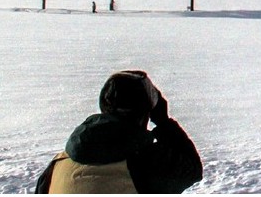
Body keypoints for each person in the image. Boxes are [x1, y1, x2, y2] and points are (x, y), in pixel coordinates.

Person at [35, 70, 203, 193]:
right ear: (145, 113)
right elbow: (192, 170)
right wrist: (163, 121)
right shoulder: (146, 163)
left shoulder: (59, 164)